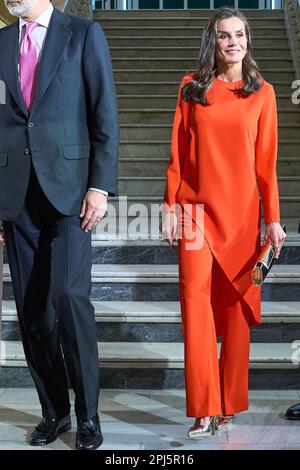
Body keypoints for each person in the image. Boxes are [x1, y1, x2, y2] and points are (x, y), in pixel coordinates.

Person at [162, 7, 286, 438]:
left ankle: (229, 401)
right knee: (194, 306)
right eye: (223, 36)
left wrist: (273, 218)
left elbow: (267, 165)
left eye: (238, 35)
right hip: (195, 213)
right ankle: (204, 407)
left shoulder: (264, 93)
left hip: (240, 215)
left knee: (234, 310)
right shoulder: (190, 89)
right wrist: (169, 206)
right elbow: (178, 155)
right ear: (211, 42)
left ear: (248, 40)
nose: (232, 42)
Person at [0, 0, 118, 449]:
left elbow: (103, 111)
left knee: (69, 297)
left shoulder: (84, 35)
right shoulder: (3, 42)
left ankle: (89, 416)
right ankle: (55, 412)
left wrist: (100, 187)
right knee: (33, 314)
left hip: (71, 192)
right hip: (16, 195)